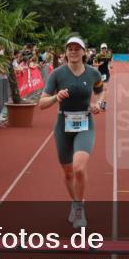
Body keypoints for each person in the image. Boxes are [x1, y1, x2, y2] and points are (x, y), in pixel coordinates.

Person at [38, 37, 105, 229]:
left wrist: (99, 104)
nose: (73, 52)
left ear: (84, 52)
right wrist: (55, 97)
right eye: (70, 49)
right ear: (65, 53)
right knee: (68, 172)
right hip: (63, 125)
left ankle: (79, 207)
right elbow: (41, 104)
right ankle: (75, 202)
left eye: (77, 49)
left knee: (79, 168)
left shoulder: (93, 73)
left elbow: (101, 91)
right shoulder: (57, 74)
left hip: (85, 124)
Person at [96, 43, 112, 109]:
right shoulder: (98, 56)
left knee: (104, 89)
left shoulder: (108, 56)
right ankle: (99, 102)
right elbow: (94, 64)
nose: (104, 49)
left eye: (105, 48)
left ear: (106, 49)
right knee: (99, 89)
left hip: (106, 73)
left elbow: (110, 61)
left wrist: (110, 65)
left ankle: (103, 103)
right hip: (99, 73)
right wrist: (99, 64)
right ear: (101, 49)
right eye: (103, 48)